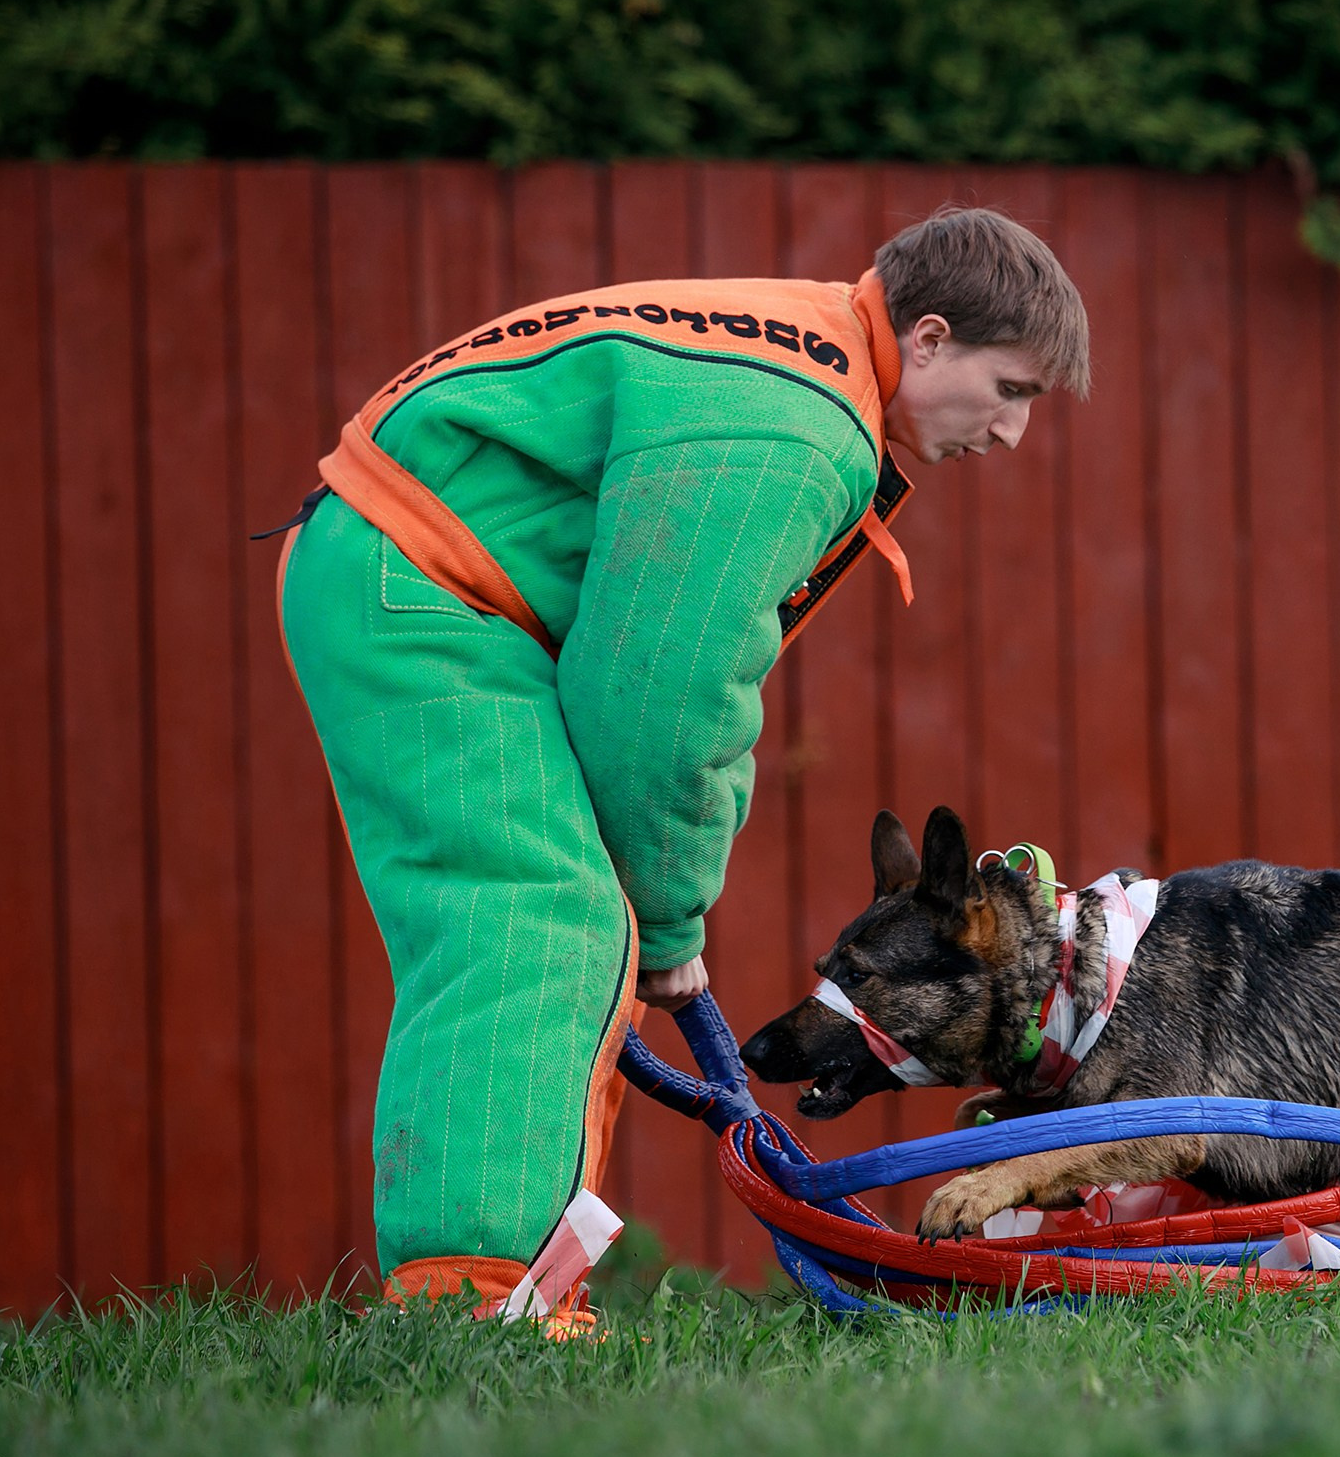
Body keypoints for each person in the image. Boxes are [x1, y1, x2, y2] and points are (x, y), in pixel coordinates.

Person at [276, 206, 1089, 1324]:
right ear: (935, 335)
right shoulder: (795, 430)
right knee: (538, 913)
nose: (1011, 436)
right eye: (1013, 391)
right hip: (422, 586)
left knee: (564, 918)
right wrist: (666, 921)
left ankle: (510, 1285)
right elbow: (660, 693)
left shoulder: (805, 362)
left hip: (418, 573)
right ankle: (467, 1302)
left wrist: (652, 917)